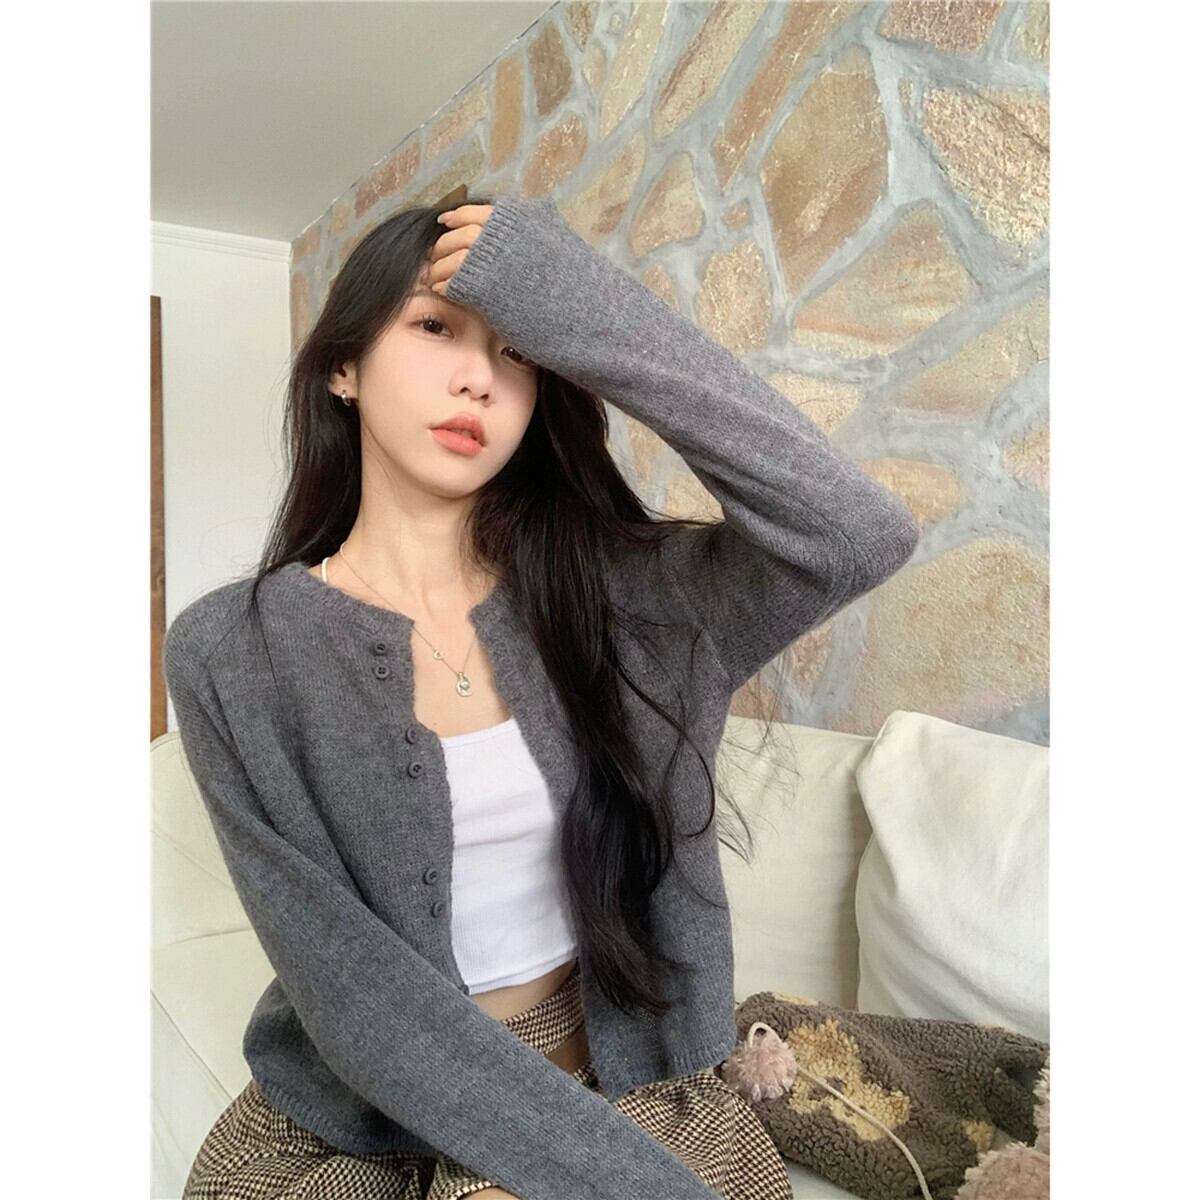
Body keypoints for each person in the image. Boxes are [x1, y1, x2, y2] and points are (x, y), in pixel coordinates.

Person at [163, 191, 920, 1200]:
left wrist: (582, 306)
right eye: (434, 328)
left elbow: (855, 534)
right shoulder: (231, 652)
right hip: (366, 1126)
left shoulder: (625, 600)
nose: (478, 378)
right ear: (342, 367)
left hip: (628, 1081)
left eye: (518, 350)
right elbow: (358, 998)